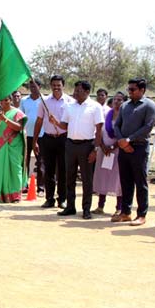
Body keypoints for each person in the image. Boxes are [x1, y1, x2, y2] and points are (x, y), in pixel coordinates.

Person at [49, 80, 103, 219]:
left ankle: (86, 209)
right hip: (70, 144)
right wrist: (55, 122)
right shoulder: (69, 106)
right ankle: (70, 207)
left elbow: (99, 130)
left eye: (78, 91)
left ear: (87, 92)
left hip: (87, 145)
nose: (75, 93)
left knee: (86, 179)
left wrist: (95, 150)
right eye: (75, 91)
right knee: (69, 177)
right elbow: (64, 126)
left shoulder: (95, 107)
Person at [113, 78, 155, 225]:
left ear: (142, 90)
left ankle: (141, 214)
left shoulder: (149, 106)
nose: (130, 92)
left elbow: (148, 127)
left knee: (140, 182)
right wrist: (122, 141)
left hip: (139, 147)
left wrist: (129, 139)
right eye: (129, 89)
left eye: (133, 90)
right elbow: (117, 125)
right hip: (123, 148)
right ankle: (125, 212)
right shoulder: (125, 106)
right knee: (125, 181)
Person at [33, 74, 74, 209]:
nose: (56, 88)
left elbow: (71, 122)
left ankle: (62, 199)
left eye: (59, 85)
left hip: (63, 139)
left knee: (62, 170)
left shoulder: (70, 101)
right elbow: (38, 121)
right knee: (48, 170)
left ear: (63, 86)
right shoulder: (44, 101)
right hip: (48, 138)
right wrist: (34, 141)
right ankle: (49, 198)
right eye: (54, 85)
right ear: (50, 86)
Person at [0, 95, 27, 203]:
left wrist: (5, 119)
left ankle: (15, 195)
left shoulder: (17, 113)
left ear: (10, 100)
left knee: (15, 169)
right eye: (2, 100)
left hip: (14, 145)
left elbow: (19, 127)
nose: (4, 102)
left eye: (6, 100)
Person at [93, 91, 126, 216]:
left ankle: (119, 207)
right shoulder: (106, 114)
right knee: (103, 177)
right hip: (104, 150)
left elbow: (124, 135)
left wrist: (113, 146)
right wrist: (102, 146)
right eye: (115, 99)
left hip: (117, 151)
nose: (117, 102)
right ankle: (100, 206)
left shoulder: (125, 117)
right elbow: (99, 131)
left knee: (118, 179)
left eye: (120, 100)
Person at [20, 79, 44, 196]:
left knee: (41, 162)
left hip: (41, 135)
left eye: (35, 86)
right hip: (26, 135)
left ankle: (40, 188)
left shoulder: (45, 101)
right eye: (31, 86)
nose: (33, 88)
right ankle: (24, 185)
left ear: (39, 86)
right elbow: (20, 117)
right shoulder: (24, 101)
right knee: (25, 161)